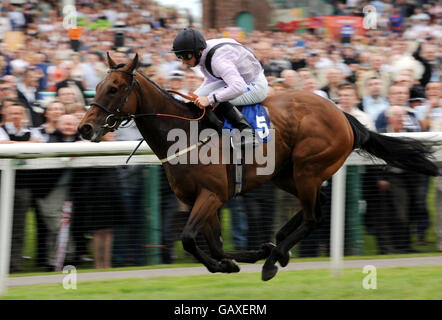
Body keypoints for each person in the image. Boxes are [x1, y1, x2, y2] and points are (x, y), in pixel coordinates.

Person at [170, 28, 268, 147]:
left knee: (219, 98)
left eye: (186, 56)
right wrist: (195, 98)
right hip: (242, 78)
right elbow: (212, 80)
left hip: (255, 85)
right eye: (179, 56)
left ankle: (247, 133)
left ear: (199, 51)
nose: (183, 62)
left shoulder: (218, 61)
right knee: (195, 99)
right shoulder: (204, 53)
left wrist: (210, 99)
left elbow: (238, 87)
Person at [0, 101, 42, 272]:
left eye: (19, 113)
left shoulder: (31, 132)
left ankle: (14, 267)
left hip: (23, 187)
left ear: (24, 115)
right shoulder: (2, 131)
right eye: (12, 113)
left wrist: (23, 147)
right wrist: (28, 146)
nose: (16, 116)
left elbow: (40, 146)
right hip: (2, 186)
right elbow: (3, 146)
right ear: (6, 115)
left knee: (18, 228)